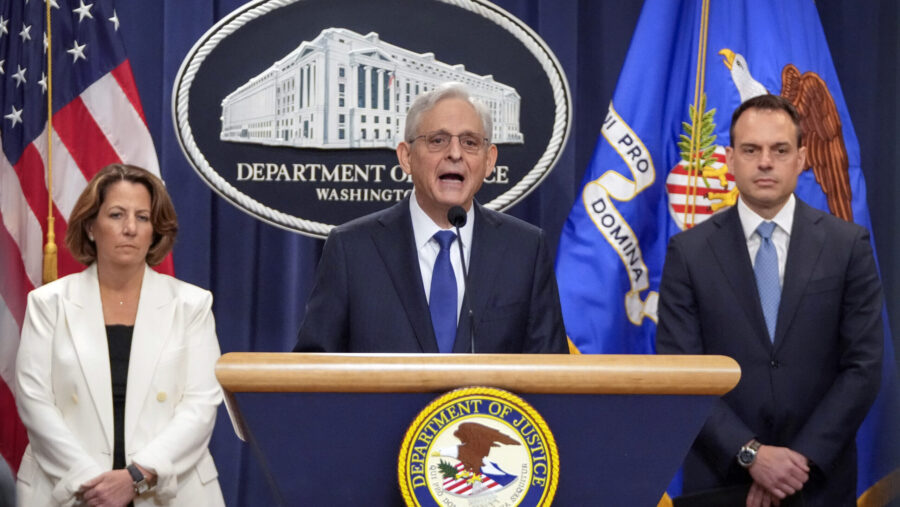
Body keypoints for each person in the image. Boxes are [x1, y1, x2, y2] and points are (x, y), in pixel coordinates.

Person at [656, 94, 882, 507]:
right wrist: (750, 454)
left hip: (818, 483)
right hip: (720, 479)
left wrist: (797, 462)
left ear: (801, 157)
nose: (765, 162)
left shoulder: (847, 246)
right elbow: (681, 373)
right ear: (730, 159)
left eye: (779, 150)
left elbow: (863, 367)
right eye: (751, 149)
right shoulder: (688, 253)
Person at [294, 82, 567, 353]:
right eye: (438, 140)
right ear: (406, 157)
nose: (455, 154)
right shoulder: (351, 249)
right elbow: (313, 373)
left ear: (489, 160)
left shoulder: (525, 251)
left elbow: (553, 378)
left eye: (470, 142)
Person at [15, 164, 225, 506]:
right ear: (91, 227)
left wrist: (137, 477)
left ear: (155, 231)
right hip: (71, 490)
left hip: (167, 492)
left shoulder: (192, 305)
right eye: (116, 215)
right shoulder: (48, 304)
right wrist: (94, 485)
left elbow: (200, 406)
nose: (130, 228)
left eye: (143, 218)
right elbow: (35, 402)